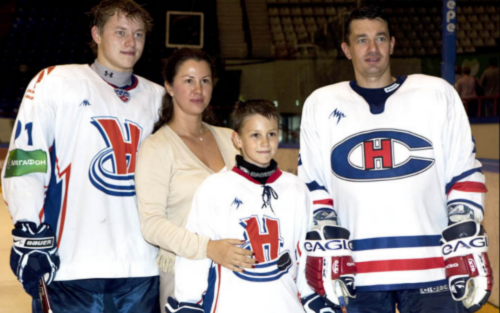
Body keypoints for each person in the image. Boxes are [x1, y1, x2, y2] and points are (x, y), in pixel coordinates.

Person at [299, 6, 492, 313]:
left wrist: (464, 233)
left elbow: (463, 172)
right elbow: (314, 184)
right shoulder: (320, 104)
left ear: (392, 44)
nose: (372, 48)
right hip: (357, 269)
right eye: (361, 40)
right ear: (346, 49)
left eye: (380, 38)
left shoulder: (436, 93)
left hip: (433, 267)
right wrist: (325, 242)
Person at [1, 0, 164, 312]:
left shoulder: (159, 98)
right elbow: (26, 160)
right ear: (97, 34)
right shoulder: (55, 82)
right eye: (120, 32)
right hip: (70, 267)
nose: (131, 42)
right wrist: (28, 230)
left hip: (142, 268)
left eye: (139, 34)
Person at [166, 99, 336, 313]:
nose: (265, 142)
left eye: (271, 134)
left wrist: (314, 299)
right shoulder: (215, 187)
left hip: (285, 304)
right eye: (255, 135)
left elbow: (303, 254)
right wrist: (188, 302)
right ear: (237, 139)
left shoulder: (296, 188)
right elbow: (196, 254)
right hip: (231, 305)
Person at [135, 48, 256, 312]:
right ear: (169, 86)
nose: (198, 89)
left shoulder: (230, 139)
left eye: (205, 80)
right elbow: (152, 224)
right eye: (188, 80)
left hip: (239, 271)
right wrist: (209, 248)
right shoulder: (157, 148)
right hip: (184, 274)